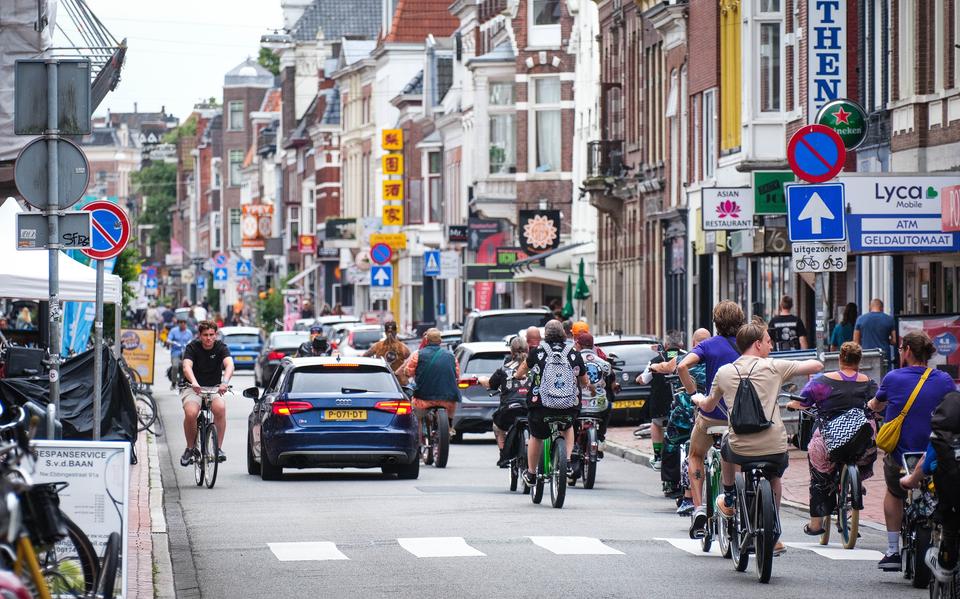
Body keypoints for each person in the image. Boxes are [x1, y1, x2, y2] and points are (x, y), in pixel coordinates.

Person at [694, 320, 823, 555]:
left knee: (725, 442)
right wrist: (815, 362)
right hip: (774, 446)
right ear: (757, 345)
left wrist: (697, 399)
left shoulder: (724, 372)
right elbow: (815, 365)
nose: (771, 346)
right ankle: (774, 532)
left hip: (740, 448)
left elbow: (708, 404)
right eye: (768, 341)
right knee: (774, 476)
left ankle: (730, 497)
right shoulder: (775, 367)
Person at [866, 330, 956, 571]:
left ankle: (893, 550)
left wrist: (870, 407)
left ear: (906, 350)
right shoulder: (944, 380)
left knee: (894, 492)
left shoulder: (893, 378)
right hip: (935, 451)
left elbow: (877, 404)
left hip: (901, 457)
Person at [786, 342, 878, 536]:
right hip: (861, 438)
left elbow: (802, 402)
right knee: (866, 445)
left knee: (819, 473)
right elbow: (877, 406)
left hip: (830, 437)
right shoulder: (869, 383)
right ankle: (855, 482)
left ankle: (816, 524)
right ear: (859, 361)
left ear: (839, 359)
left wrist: (793, 405)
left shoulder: (822, 381)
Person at [679, 301, 744, 536]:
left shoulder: (708, 345)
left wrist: (692, 391)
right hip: (739, 418)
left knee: (695, 455)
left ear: (716, 323)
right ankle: (737, 501)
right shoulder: (748, 344)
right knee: (739, 455)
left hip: (711, 417)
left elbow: (681, 366)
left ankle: (698, 508)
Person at [514, 320, 592, 486]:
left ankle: (532, 473)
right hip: (568, 406)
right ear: (564, 334)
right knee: (568, 426)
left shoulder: (538, 352)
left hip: (542, 406)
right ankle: (568, 461)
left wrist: (518, 376)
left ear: (545, 335)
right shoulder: (573, 353)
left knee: (536, 436)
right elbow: (584, 381)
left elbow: (521, 371)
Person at [899, 391, 960, 581]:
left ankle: (945, 564)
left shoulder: (949, 422)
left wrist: (910, 481)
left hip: (952, 487)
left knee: (950, 517)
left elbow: (927, 464)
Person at [653, 328, 711, 515]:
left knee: (670, 440)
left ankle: (670, 481)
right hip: (711, 413)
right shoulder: (716, 359)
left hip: (686, 414)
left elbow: (668, 367)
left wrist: (654, 367)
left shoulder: (686, 359)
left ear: (694, 344)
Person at [179, 321, 234, 466]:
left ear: (215, 335)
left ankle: (218, 448)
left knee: (220, 408)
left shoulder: (221, 347)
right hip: (193, 387)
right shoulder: (192, 347)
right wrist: (194, 382)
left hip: (214, 387)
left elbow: (229, 364)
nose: (208, 338)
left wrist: (225, 382)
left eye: (211, 335)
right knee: (191, 413)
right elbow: (186, 367)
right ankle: (190, 448)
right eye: (205, 335)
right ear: (200, 335)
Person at [637, 333, 683, 483]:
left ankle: (657, 456)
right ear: (681, 345)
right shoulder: (688, 356)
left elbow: (643, 380)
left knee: (656, 423)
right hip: (682, 406)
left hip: (661, 406)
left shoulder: (656, 360)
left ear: (666, 345)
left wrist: (638, 379)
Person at [481, 336, 530, 467]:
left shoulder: (504, 369)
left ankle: (503, 455)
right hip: (531, 409)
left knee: (497, 426)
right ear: (528, 349)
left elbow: (490, 384)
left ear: (511, 352)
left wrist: (481, 379)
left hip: (510, 409)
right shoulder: (535, 367)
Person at [404, 328, 461, 434]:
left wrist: (407, 373)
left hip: (423, 400)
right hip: (448, 400)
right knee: (451, 407)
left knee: (417, 418)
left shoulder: (418, 355)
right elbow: (457, 374)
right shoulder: (451, 356)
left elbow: (408, 372)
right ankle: (449, 425)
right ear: (440, 341)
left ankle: (419, 440)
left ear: (426, 340)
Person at [572, 332, 611, 477]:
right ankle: (601, 436)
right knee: (609, 406)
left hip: (579, 404)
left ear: (579, 344)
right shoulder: (603, 363)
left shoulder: (574, 360)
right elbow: (609, 374)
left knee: (571, 418)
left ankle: (573, 444)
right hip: (598, 405)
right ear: (593, 345)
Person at [854, 298, 898, 367]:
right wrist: (885, 340)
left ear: (870, 307)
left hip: (866, 354)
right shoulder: (889, 319)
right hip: (883, 355)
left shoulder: (860, 319)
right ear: (882, 308)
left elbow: (856, 342)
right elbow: (894, 341)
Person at [166, 318, 194, 390]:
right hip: (175, 352)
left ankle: (183, 381)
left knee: (185, 367)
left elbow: (192, 341)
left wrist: (189, 343)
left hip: (185, 352)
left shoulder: (189, 332)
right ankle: (173, 383)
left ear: (186, 324)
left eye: (184, 322)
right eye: (181, 322)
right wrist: (173, 342)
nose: (182, 324)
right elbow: (168, 340)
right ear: (178, 324)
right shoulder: (174, 331)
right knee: (175, 366)